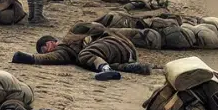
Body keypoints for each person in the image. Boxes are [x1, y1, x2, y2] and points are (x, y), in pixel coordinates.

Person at [11, 28, 150, 80]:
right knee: (89, 61)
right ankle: (127, 67)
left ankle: (106, 69)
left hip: (113, 42)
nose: (46, 51)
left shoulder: (72, 36)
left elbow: (98, 27)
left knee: (85, 55)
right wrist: (29, 58)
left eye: (44, 48)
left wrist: (28, 58)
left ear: (50, 43)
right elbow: (52, 58)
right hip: (124, 51)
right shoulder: (64, 52)